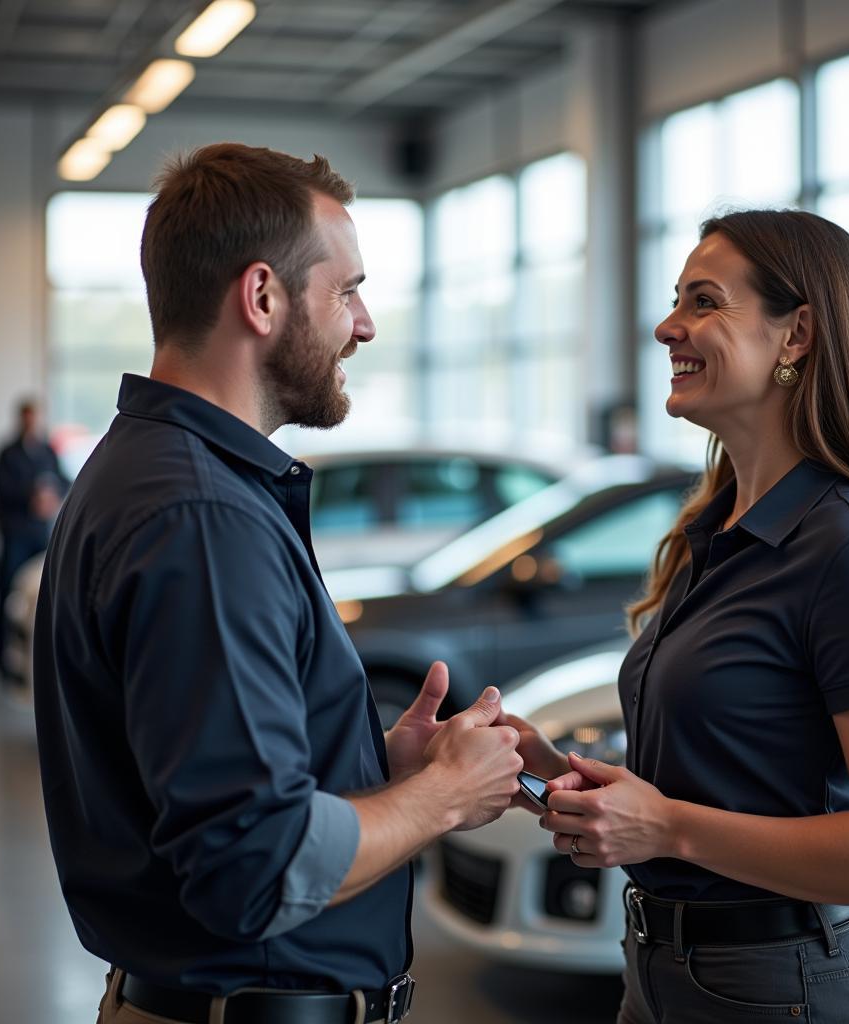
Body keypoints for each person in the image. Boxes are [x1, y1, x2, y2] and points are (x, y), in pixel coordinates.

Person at [33, 143, 524, 1024]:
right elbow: (249, 864)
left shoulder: (148, 472)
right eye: (346, 291)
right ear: (262, 297)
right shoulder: (201, 516)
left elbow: (198, 782)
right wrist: (439, 798)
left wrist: (372, 769)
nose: (365, 324)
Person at [509, 210, 849, 1023]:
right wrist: (554, 776)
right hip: (660, 973)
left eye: (703, 302)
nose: (666, 326)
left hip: (790, 988)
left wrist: (665, 828)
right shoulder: (718, 529)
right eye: (675, 300)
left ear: (795, 335)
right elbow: (730, 781)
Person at [0, 397, 66, 681]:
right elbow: (2, 490)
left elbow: (62, 480)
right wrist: (31, 497)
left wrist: (51, 496)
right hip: (15, 534)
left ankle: (38, 658)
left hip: (40, 534)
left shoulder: (47, 451)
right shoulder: (7, 453)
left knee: (41, 594)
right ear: (20, 418)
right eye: (27, 417)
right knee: (8, 591)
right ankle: (2, 661)